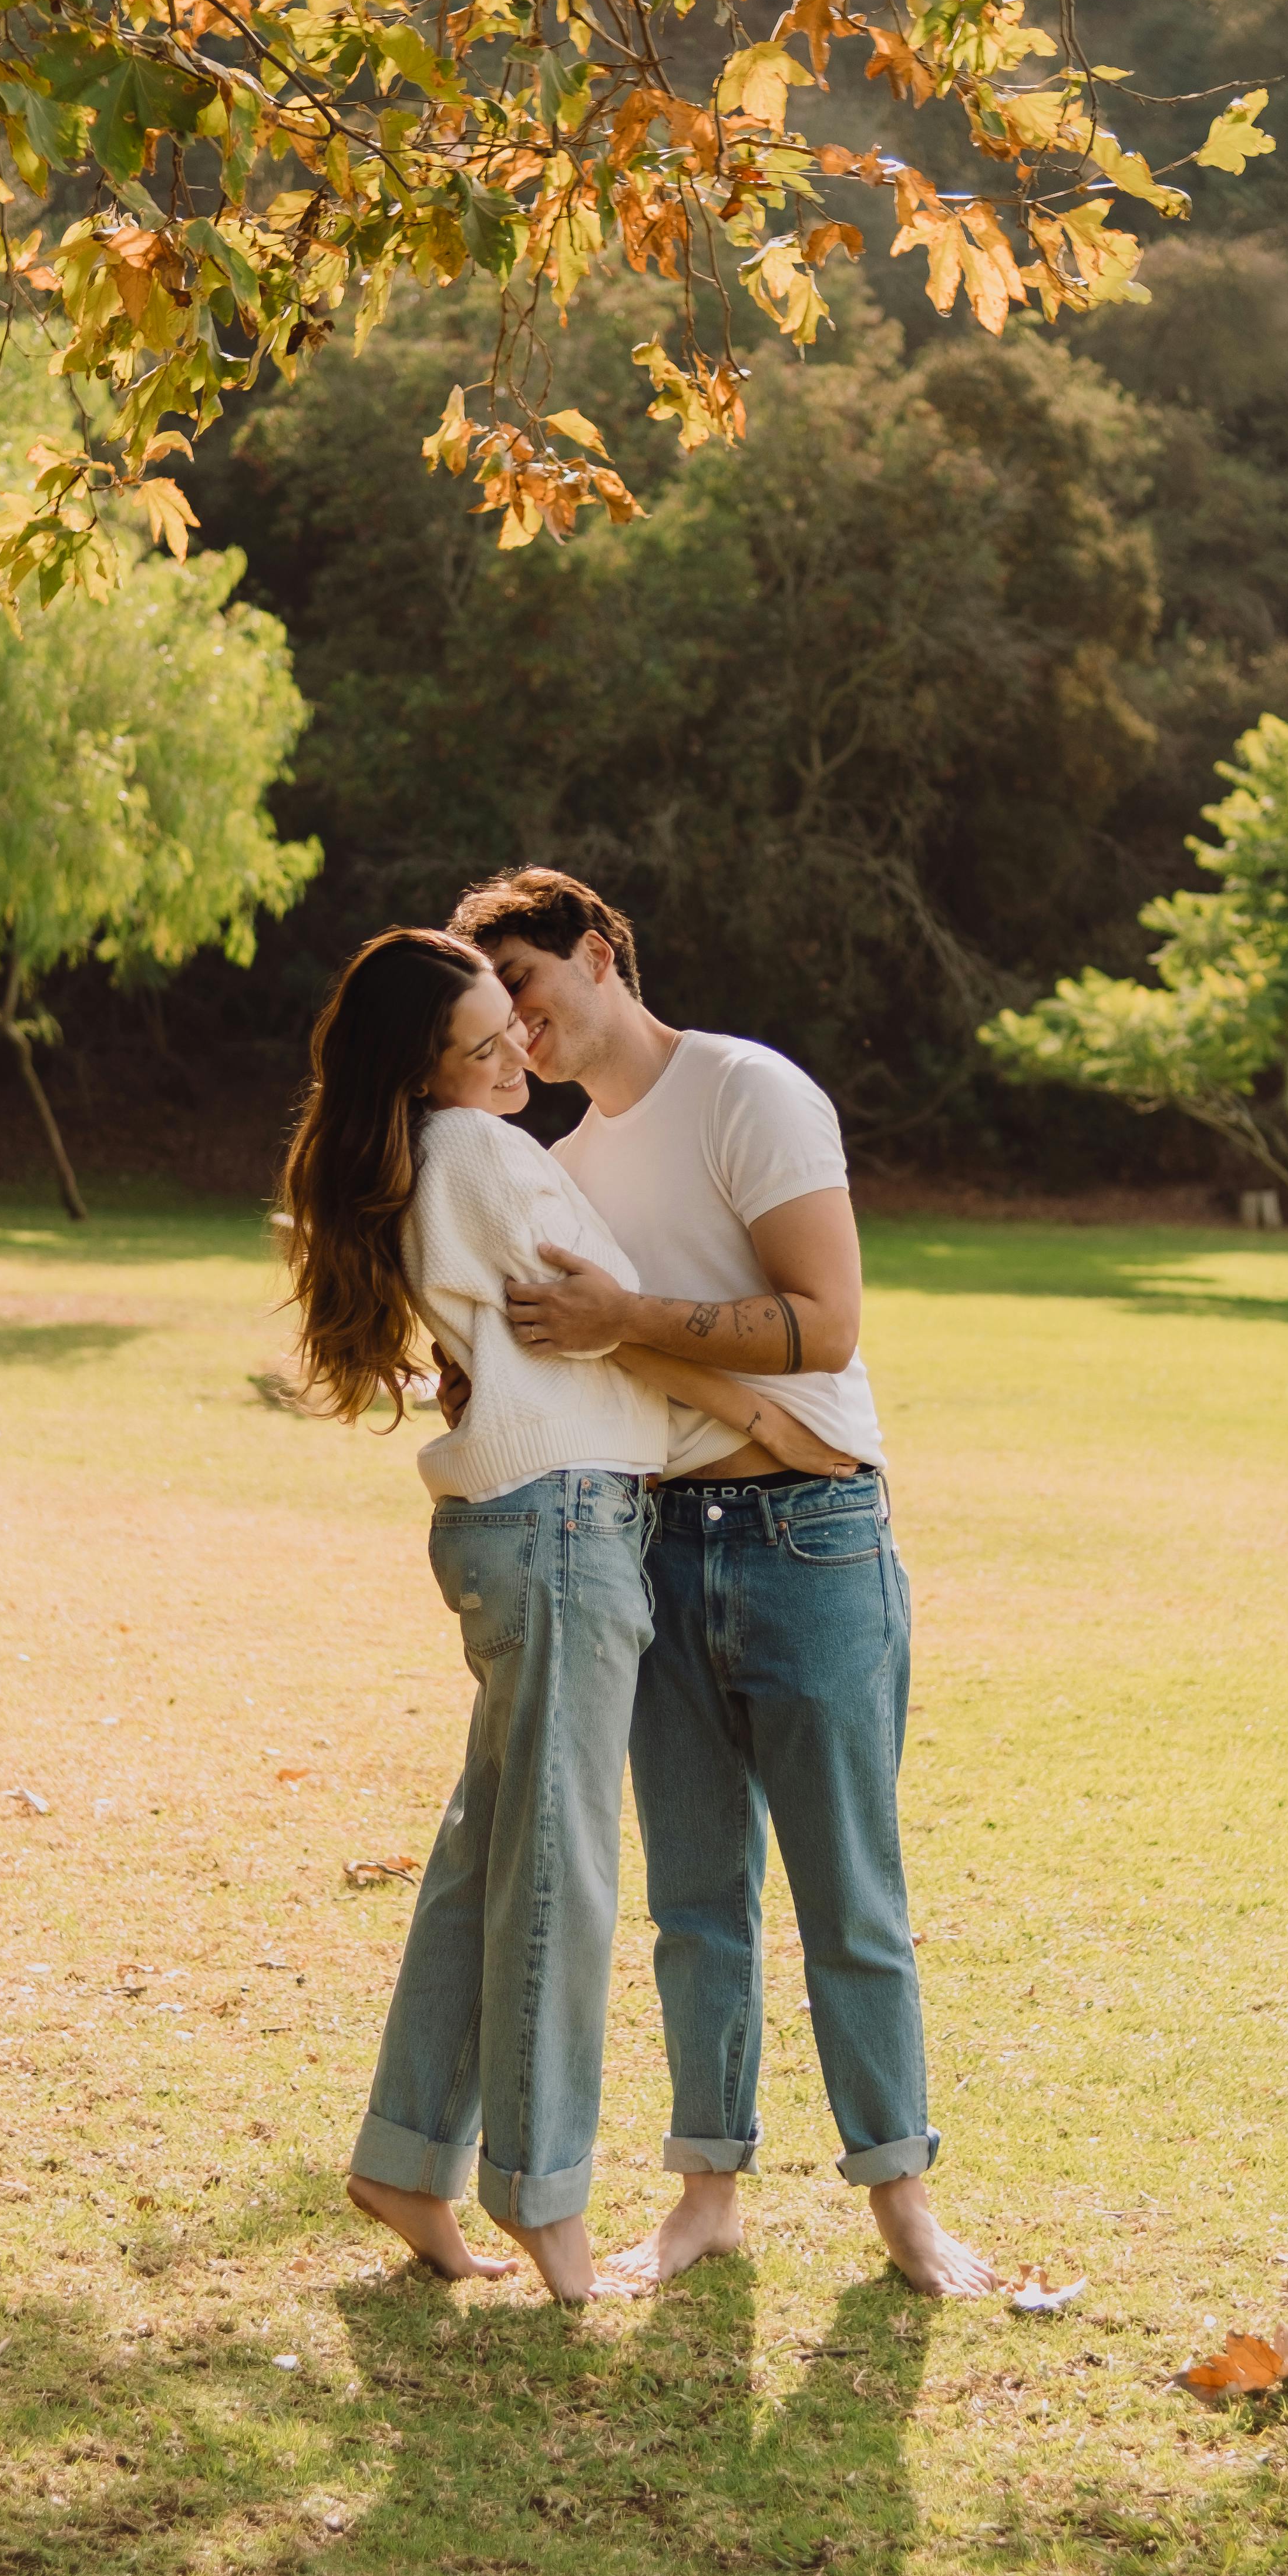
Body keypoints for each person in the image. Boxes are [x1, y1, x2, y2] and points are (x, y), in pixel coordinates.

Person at [279, 926, 853, 2303]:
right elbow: (604, 1325)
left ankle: (408, 2158)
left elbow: (575, 1335)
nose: (511, 1062)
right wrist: (771, 1413)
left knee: (495, 1853)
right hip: (559, 1526)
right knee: (561, 1873)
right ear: (423, 1069)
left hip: (533, 1523)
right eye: (480, 1046)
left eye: (507, 1029)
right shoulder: (480, 1154)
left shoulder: (449, 1154)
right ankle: (544, 2197)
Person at [446, 867, 997, 2301]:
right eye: (490, 1002)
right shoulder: (560, 1159)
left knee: (850, 1897)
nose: (516, 1021)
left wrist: (628, 1326)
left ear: (600, 951)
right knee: (697, 1901)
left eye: (528, 980)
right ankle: (706, 2197)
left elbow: (824, 1326)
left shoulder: (753, 1093)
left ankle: (904, 2200)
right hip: (653, 1542)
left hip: (810, 1534)